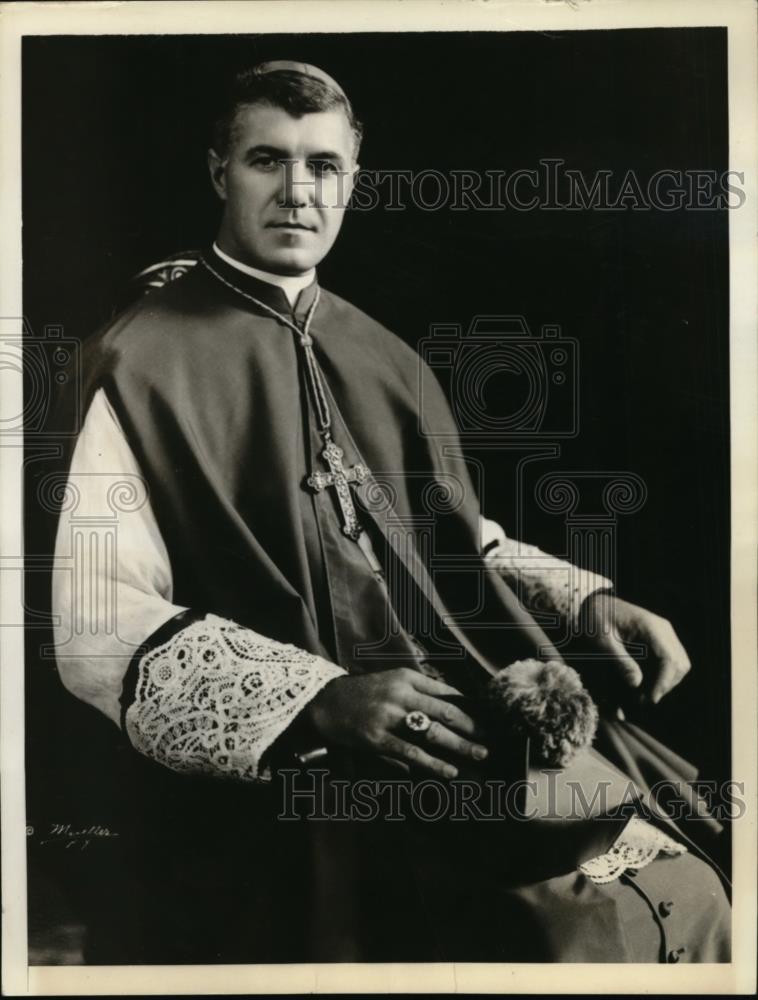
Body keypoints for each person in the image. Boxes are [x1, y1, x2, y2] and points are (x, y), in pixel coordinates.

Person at [49, 61, 730, 963]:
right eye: (267, 160)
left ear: (353, 181)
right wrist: (319, 698)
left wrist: (585, 602)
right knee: (565, 935)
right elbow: (97, 621)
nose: (298, 191)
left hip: (455, 718)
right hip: (291, 773)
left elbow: (453, 544)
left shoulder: (385, 357)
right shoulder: (138, 362)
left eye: (323, 167)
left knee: (693, 881)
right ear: (220, 172)